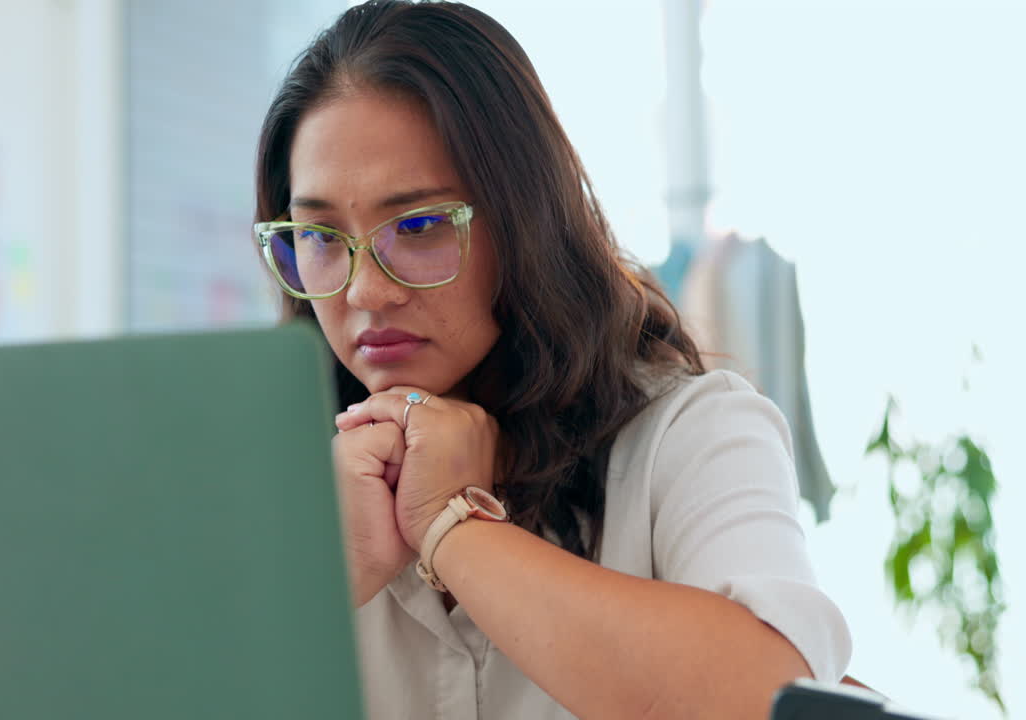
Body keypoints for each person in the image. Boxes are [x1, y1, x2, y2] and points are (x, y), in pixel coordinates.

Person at [251, 1, 851, 717]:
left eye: (418, 225)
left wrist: (452, 528)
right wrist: (322, 578)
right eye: (319, 236)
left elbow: (767, 699)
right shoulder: (266, 473)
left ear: (525, 222)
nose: (366, 291)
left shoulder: (690, 433)